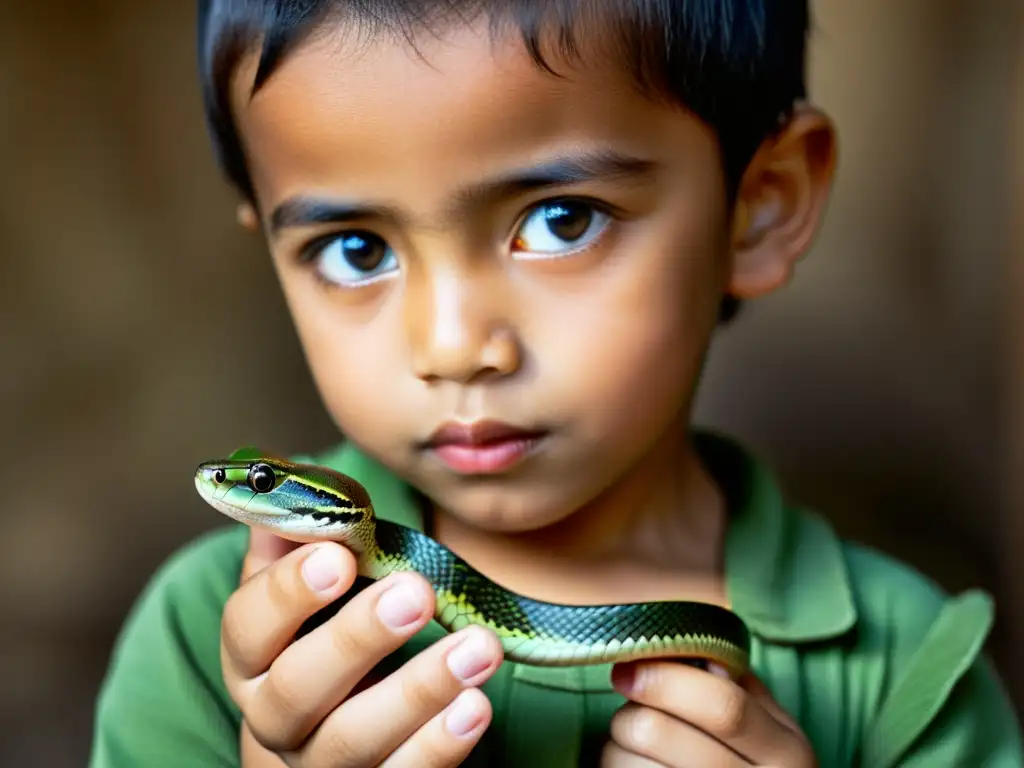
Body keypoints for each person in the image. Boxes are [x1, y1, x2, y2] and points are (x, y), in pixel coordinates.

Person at [89, 1, 1023, 766]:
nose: (454, 347)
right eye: (356, 248)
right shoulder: (199, 640)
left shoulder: (910, 671)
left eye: (564, 220)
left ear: (760, 205)